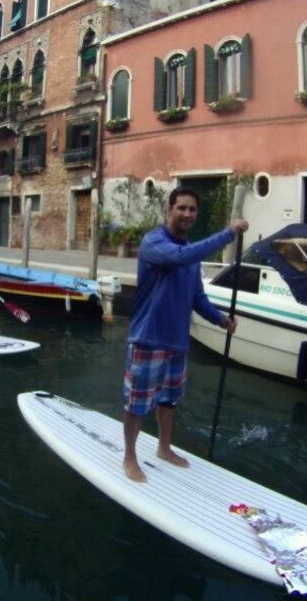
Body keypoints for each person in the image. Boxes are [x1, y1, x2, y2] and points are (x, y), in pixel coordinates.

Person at [122, 187, 248, 483]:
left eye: (192, 209)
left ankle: (164, 448)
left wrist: (220, 319)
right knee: (137, 403)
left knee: (169, 400)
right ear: (170, 209)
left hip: (177, 342)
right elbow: (180, 256)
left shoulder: (191, 256)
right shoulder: (154, 243)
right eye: (182, 208)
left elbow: (197, 298)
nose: (188, 214)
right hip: (148, 338)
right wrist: (228, 233)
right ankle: (129, 456)